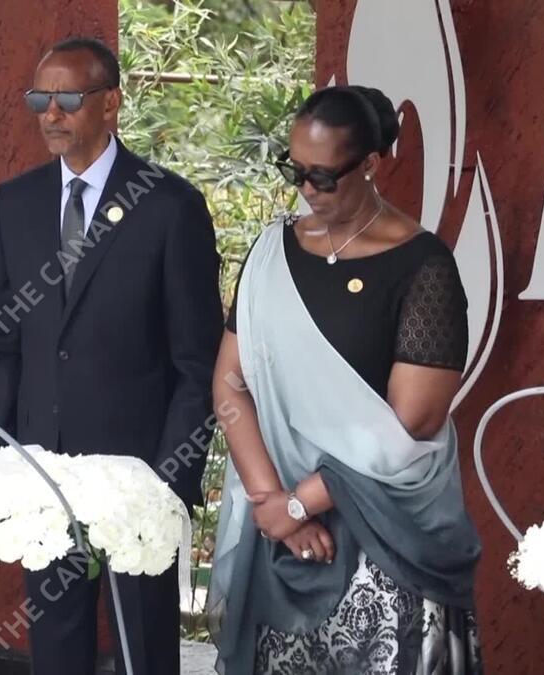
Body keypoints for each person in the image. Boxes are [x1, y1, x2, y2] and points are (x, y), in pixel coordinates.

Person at [208, 85, 482, 674]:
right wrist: (268, 502)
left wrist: (300, 504)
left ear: (371, 164)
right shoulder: (271, 252)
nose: (307, 190)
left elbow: (412, 423)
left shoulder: (423, 266)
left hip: (386, 533)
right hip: (282, 534)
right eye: (295, 171)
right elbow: (230, 384)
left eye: (324, 176)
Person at [0, 36, 224, 675]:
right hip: (42, 479)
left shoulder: (169, 206)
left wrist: (168, 485)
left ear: (111, 103)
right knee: (57, 653)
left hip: (139, 485)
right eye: (40, 99)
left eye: (67, 98)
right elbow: (5, 344)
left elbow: (198, 365)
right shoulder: (14, 203)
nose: (51, 114)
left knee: (144, 652)